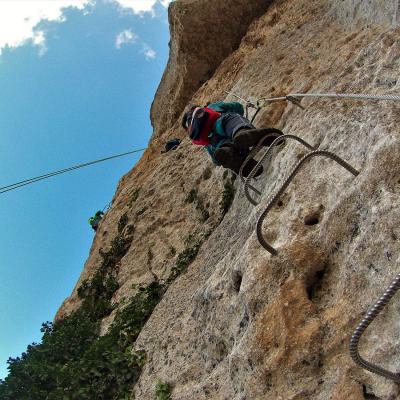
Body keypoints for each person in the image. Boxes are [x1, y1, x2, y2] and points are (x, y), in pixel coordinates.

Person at [182, 101, 283, 176]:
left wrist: (218, 156)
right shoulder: (211, 107)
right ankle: (242, 132)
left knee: (224, 145)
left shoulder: (199, 136)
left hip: (214, 141)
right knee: (232, 121)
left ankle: (230, 152)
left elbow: (215, 160)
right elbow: (238, 107)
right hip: (221, 124)